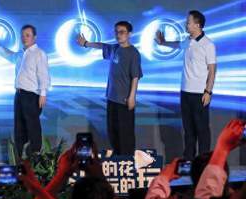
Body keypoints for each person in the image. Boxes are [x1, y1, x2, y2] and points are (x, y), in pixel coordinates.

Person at [156, 10, 217, 159]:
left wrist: (208, 92)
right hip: (185, 92)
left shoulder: (208, 44)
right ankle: (189, 160)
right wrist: (163, 42)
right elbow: (178, 45)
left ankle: (203, 160)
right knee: (188, 130)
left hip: (199, 94)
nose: (186, 24)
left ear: (197, 25)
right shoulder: (188, 41)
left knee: (201, 129)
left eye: (188, 22)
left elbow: (212, 70)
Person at [77, 21, 142, 155]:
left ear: (129, 34)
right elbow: (102, 46)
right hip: (112, 98)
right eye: (116, 32)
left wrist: (132, 97)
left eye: (122, 32)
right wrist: (86, 43)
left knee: (125, 133)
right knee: (113, 131)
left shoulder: (133, 53)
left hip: (124, 100)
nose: (118, 35)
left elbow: (135, 76)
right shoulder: (115, 49)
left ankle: (127, 159)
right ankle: (117, 158)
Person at [0, 24, 50, 157]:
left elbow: (43, 74)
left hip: (32, 95)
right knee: (19, 126)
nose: (24, 38)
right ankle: (19, 156)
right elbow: (9, 55)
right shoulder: (21, 54)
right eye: (23, 35)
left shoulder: (39, 54)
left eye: (28, 35)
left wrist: (43, 93)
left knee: (32, 126)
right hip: (19, 94)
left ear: (34, 37)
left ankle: (35, 155)